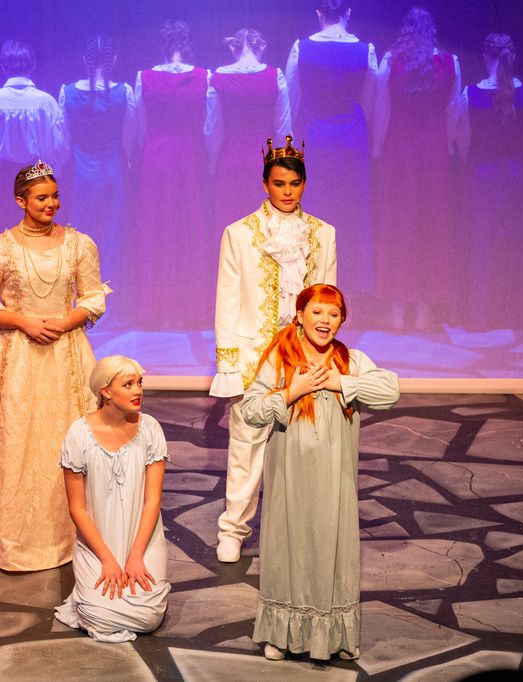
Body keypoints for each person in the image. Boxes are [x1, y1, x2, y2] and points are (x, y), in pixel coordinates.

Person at [0, 161, 108, 572]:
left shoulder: (79, 244)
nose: (51, 204)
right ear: (21, 201)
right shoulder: (0, 248)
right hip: (14, 357)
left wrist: (64, 322)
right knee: (15, 439)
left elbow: (93, 297)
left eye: (55, 196)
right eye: (42, 198)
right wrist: (24, 322)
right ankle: (7, 536)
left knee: (67, 436)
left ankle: (77, 533)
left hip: (66, 354)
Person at [242, 284, 399, 661]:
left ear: (342, 320)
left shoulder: (351, 361)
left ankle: (336, 636)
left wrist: (339, 382)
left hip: (334, 479)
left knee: (333, 547)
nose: (325, 320)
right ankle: (280, 635)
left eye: (334, 313)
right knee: (288, 547)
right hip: (290, 477)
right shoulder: (281, 358)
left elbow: (390, 392)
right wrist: (291, 391)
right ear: (300, 315)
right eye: (317, 311)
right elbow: (250, 411)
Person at [212, 135, 336, 564]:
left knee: (305, 444)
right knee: (247, 442)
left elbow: (327, 298)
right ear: (265, 184)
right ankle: (233, 529)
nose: (287, 192)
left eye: (294, 184)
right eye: (279, 183)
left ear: (304, 184)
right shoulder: (240, 234)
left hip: (303, 352)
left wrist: (323, 351)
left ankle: (298, 530)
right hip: (254, 352)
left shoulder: (323, 233)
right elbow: (227, 299)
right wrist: (228, 363)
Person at [54, 355, 169, 642]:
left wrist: (136, 555)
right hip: (98, 541)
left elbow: (152, 500)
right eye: (128, 385)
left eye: (139, 383)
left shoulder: (150, 429)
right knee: (98, 615)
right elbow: (77, 508)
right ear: (105, 391)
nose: (138, 391)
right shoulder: (78, 435)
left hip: (142, 538)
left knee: (148, 617)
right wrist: (107, 559)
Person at [372, 7, 461, 331]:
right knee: (431, 225)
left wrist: (377, 146)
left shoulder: (392, 60)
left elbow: (381, 107)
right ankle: (424, 309)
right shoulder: (450, 62)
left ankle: (397, 308)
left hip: (399, 150)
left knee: (399, 224)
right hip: (434, 150)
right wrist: (448, 143)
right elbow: (453, 111)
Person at [131, 19, 218, 328]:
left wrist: (143, 152)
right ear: (188, 43)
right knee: (190, 227)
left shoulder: (145, 78)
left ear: (162, 45)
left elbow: (139, 126)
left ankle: (155, 310)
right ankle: (191, 310)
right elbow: (209, 126)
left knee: (157, 229)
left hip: (156, 157)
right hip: (191, 157)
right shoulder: (204, 77)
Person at [285, 0, 376, 298]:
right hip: (351, 140)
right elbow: (370, 102)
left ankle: (311, 289)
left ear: (319, 14)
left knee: (314, 212)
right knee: (350, 214)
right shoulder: (365, 51)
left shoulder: (301, 49)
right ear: (348, 13)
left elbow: (292, 102)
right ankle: (348, 292)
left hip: (314, 139)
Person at [457, 34, 523, 330]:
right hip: (516, 174)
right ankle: (515, 315)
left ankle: (480, 316)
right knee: (516, 245)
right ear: (512, 57)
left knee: (482, 242)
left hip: (483, 174)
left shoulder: (471, 94)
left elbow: (463, 142)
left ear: (485, 57)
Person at [58, 34, 135, 285]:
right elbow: (129, 137)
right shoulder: (124, 92)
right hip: (113, 172)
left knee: (81, 234)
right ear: (114, 60)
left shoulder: (68, 93)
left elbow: (64, 140)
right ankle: (110, 299)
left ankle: (81, 297)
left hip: (80, 175)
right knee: (112, 236)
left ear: (85, 60)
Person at [211, 28, 291, 225]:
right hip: (264, 161)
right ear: (261, 47)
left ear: (233, 47)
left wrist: (212, 164)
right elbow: (283, 129)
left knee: (232, 223)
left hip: (230, 158)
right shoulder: (275, 76)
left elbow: (213, 129)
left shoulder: (218, 78)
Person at [0, 40, 68, 170]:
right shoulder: (47, 102)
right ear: (33, 66)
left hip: (0, 175)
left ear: (3, 67)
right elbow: (60, 147)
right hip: (37, 174)